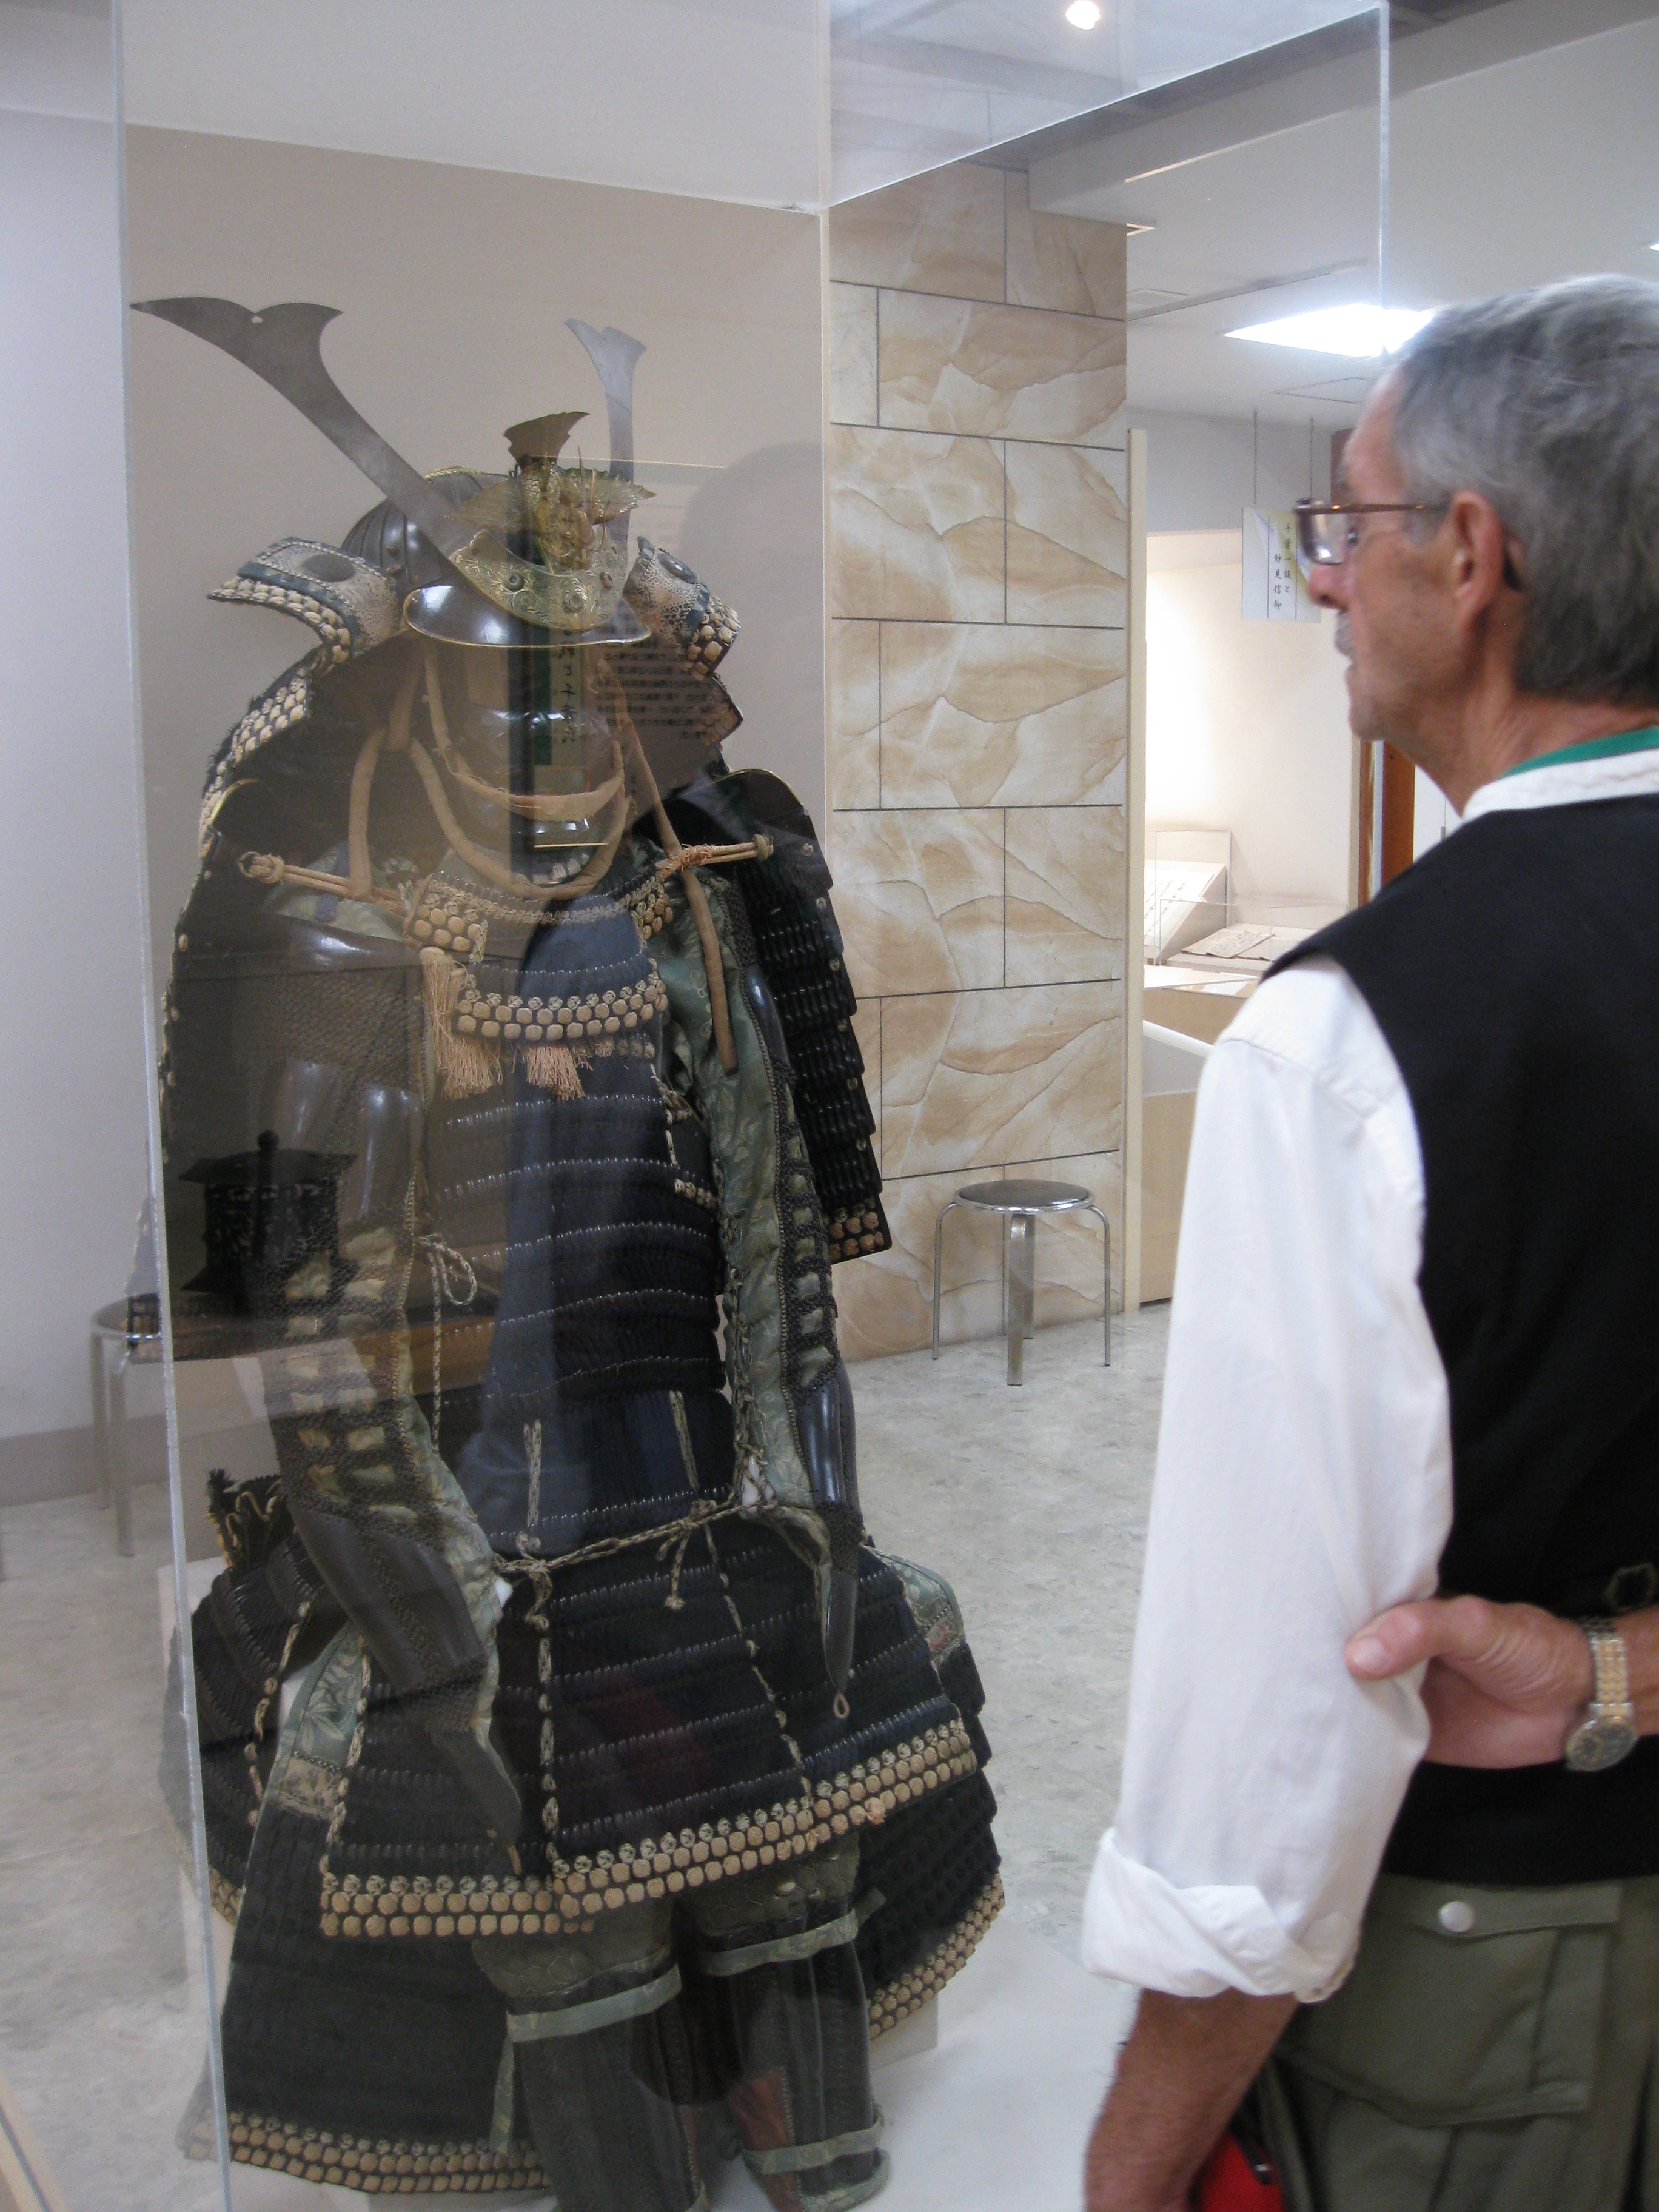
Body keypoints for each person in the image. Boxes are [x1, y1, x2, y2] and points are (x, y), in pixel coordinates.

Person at [147, 298, 1002, 2209]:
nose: (550, 724)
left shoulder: (704, 880)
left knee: (801, 1839)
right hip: (451, 1503)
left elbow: (774, 1263)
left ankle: (803, 2130)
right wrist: (442, 1631)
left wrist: (815, 1523)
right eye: (507, 680)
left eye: (584, 673)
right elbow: (306, 1339)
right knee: (553, 1887)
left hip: (696, 1485)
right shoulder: (319, 913)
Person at [1079, 275, 1659, 2212]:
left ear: (1473, 560)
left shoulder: (1352, 1040)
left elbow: (1284, 1720)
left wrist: (1140, 2155)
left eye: (1348, 521)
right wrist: (1625, 1666)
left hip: (1518, 1975)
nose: (1324, 578)